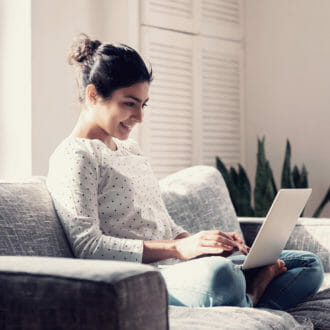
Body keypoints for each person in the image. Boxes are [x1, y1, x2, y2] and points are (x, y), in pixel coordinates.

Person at [47, 33, 324, 310]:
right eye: (129, 103)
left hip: (181, 270)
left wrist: (202, 243)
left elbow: (165, 227)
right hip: (142, 278)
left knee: (307, 264)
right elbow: (89, 248)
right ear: (93, 94)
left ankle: (247, 306)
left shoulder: (130, 151)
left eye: (143, 105)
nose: (140, 117)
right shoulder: (75, 156)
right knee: (223, 276)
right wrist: (178, 249)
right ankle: (253, 292)